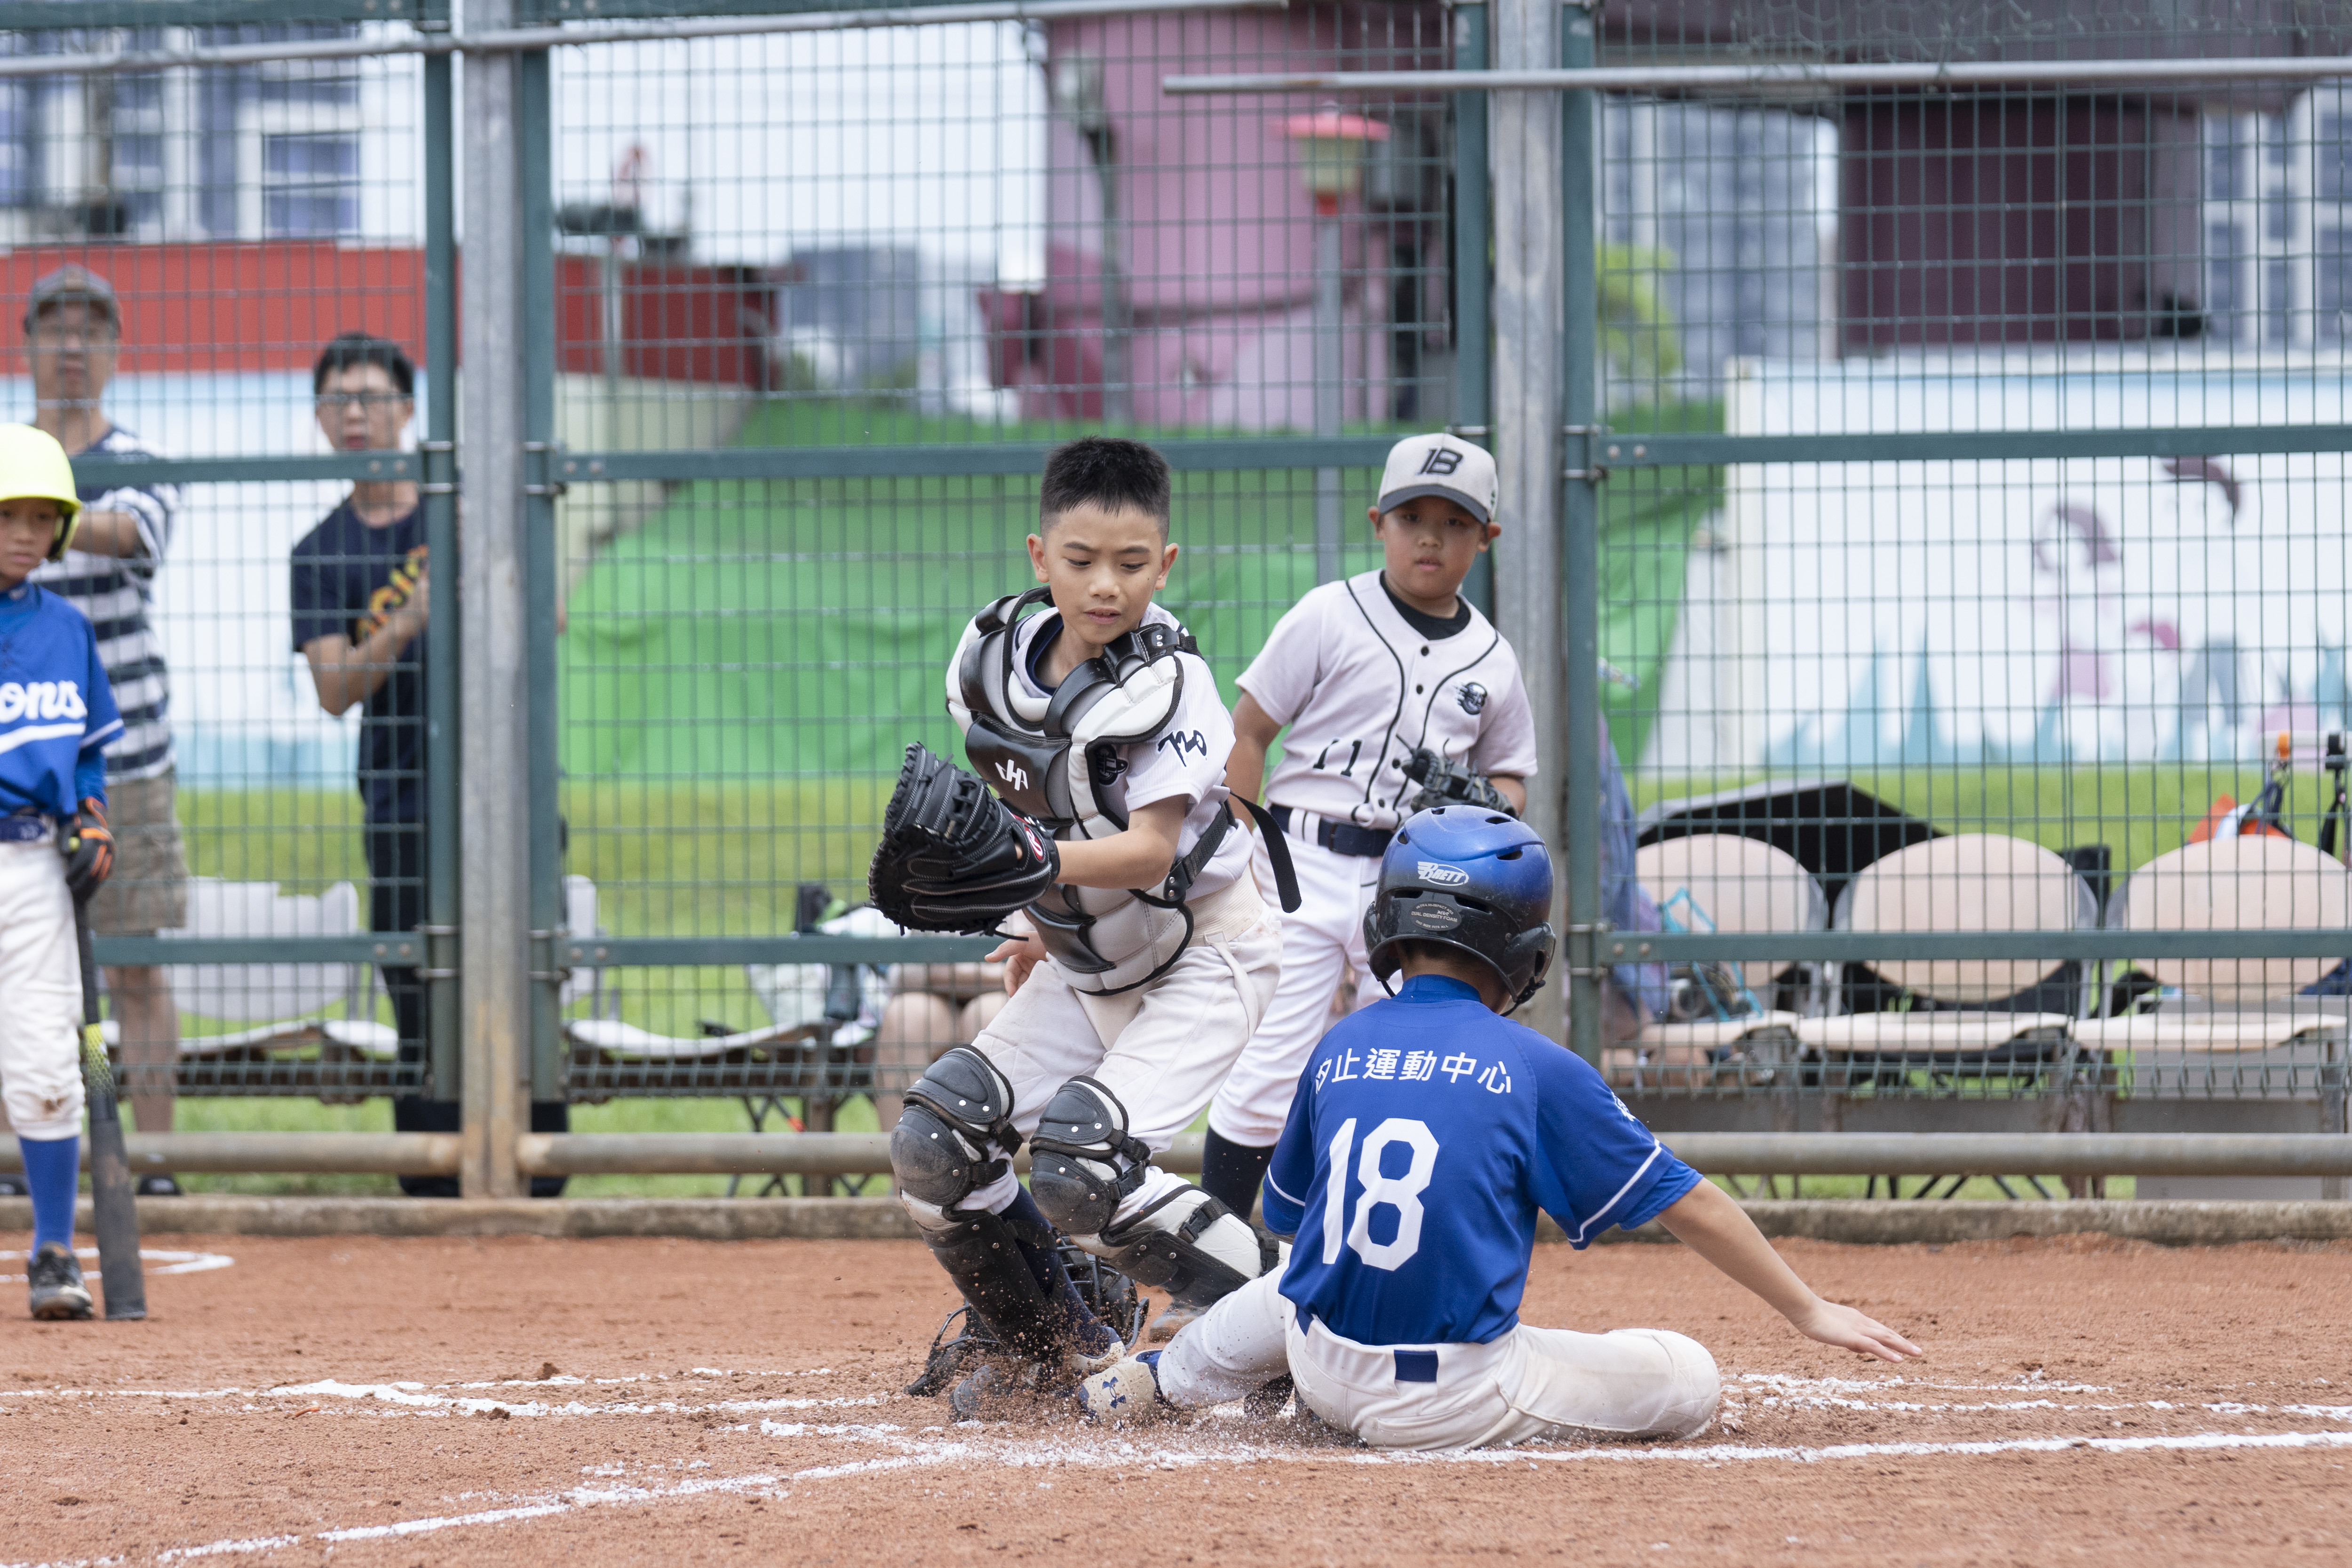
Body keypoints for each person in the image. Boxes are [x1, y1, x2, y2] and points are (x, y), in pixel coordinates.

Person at [1078, 807, 1922, 1445]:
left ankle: (1161, 1378)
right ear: (1530, 951)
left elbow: (1295, 1226)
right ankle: (1219, 1372)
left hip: (1321, 1368)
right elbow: (1686, 1201)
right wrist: (1809, 1309)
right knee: (1687, 1375)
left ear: (1386, 927)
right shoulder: (1537, 1064)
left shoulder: (1342, 1042)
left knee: (1296, 1284)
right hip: (1451, 1400)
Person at [888, 437, 1285, 1401]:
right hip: (1087, 954)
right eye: (1080, 560)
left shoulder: (1172, 681)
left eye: (1132, 562)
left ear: (1166, 562)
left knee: (1083, 1161)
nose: (1105, 585)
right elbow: (1039, 808)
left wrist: (1032, 869)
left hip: (1204, 950)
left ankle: (1297, 1325)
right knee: (937, 1139)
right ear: (1038, 555)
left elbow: (1149, 849)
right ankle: (1054, 1341)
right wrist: (1039, 918)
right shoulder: (993, 661)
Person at [1192, 432, 1535, 1260]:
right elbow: (1249, 730)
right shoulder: (1327, 614)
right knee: (1275, 1063)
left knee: (1393, 1065)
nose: (1430, 537)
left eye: (1453, 522)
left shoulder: (1492, 657)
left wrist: (1482, 804)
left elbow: (1514, 782)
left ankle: (1345, 1256)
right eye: (1412, 516)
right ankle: (1214, 1263)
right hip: (1302, 860)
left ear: (1484, 539)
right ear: (1377, 521)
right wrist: (1244, 841)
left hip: (1417, 880)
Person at [289, 334, 569, 1197]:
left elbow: (546, 617)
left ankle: (539, 1166)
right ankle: (430, 1176)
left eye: (374, 396)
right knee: (416, 984)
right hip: (402, 793)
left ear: (409, 410)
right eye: (340, 401)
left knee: (527, 975)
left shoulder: (463, 512)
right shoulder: (321, 551)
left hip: (511, 792)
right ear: (322, 420)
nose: (358, 414)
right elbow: (336, 686)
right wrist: (407, 618)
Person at [18, 266, 187, 1195]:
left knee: (139, 967)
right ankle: (26, 1153)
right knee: (22, 974)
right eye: (55, 327)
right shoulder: (8, 449)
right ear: (29, 346)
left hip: (129, 757)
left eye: (91, 328)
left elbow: (132, 532)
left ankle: (151, 1162)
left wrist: (34, 512)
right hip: (17, 764)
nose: (72, 343)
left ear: (115, 351)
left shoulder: (143, 457)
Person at [0, 423, 123, 1317]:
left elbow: (87, 753)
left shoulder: (68, 632)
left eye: (44, 517)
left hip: (37, 862)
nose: (25, 533)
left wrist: (92, 813)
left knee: (49, 1052)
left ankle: (53, 1248)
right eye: (9, 513)